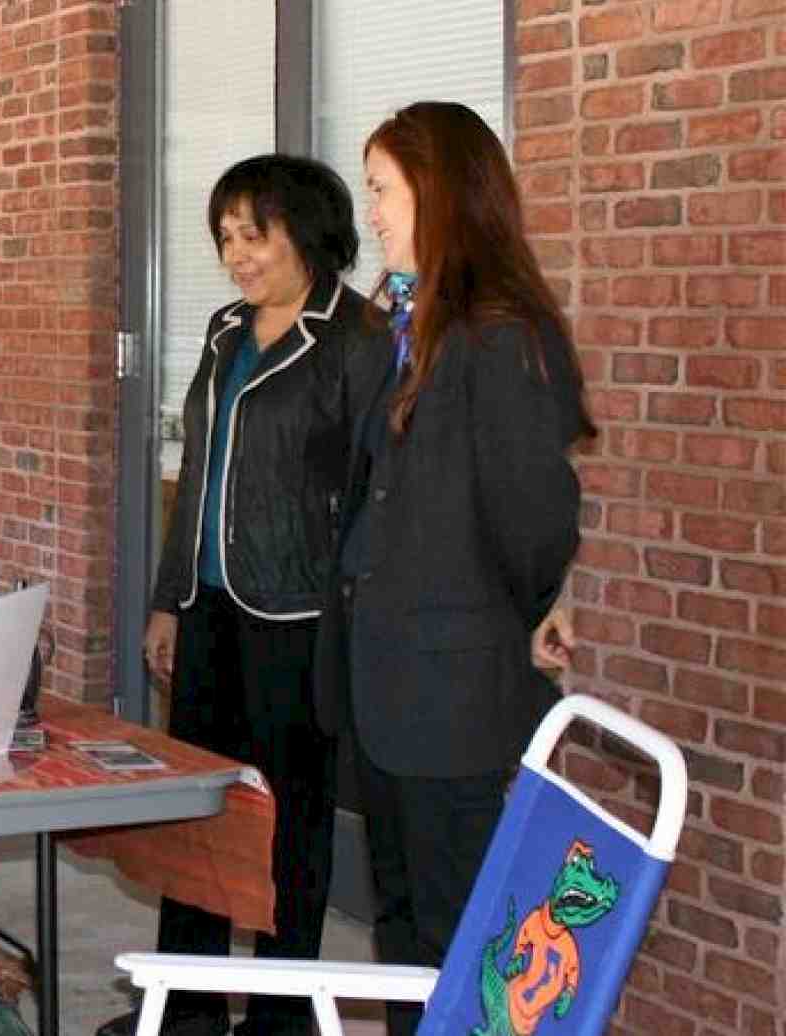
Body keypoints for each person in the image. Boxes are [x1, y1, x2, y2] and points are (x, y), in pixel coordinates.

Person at [316, 101, 594, 1036]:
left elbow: (534, 524)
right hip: (388, 691)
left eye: (385, 191)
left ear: (441, 195)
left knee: (464, 943)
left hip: (452, 700)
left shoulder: (499, 337)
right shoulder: (408, 329)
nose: (376, 214)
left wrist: (487, 619)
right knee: (403, 934)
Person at [100, 155, 378, 1036]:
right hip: (210, 611)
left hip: (298, 619)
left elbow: (377, 491)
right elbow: (200, 474)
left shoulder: (358, 341)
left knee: (289, 825)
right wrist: (167, 599)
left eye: (253, 236)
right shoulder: (225, 330)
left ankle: (281, 1017)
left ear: (307, 230)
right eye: (225, 238)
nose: (237, 256)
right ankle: (186, 1013)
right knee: (200, 813)